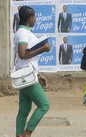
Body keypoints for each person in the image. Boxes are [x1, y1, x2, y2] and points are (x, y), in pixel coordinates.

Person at [14, 6, 51, 137]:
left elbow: (27, 57)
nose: (36, 19)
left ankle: (19, 134)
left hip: (28, 74)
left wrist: (38, 74)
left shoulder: (25, 32)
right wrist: (42, 49)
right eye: (34, 16)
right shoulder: (23, 33)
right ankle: (27, 133)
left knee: (24, 110)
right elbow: (23, 54)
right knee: (44, 105)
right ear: (30, 18)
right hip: (26, 75)